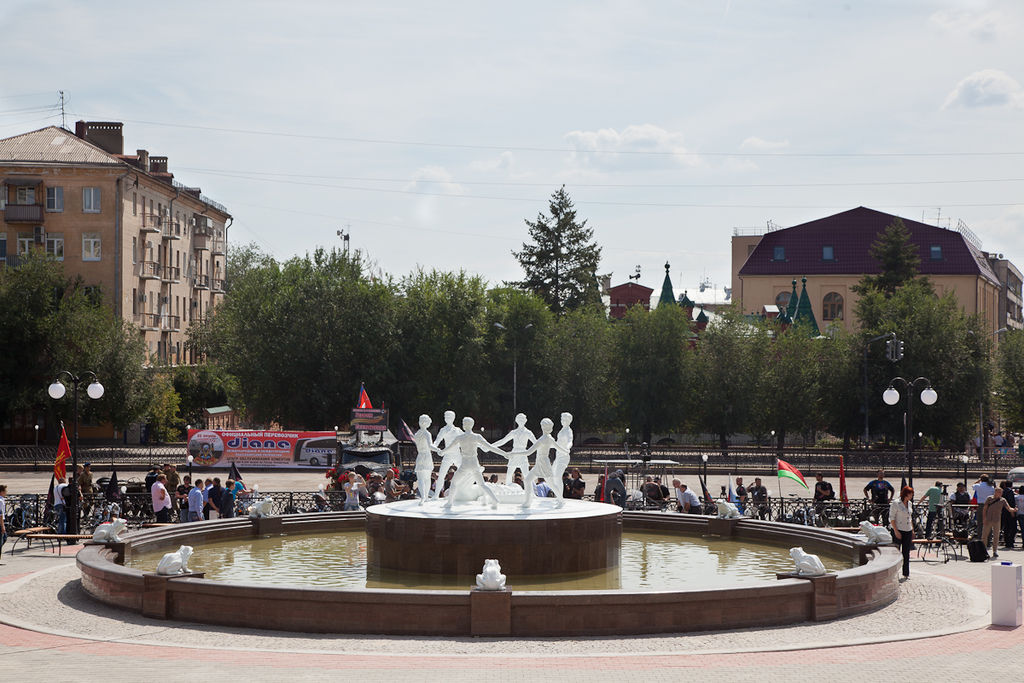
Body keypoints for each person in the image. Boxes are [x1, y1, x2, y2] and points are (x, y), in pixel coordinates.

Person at [491, 413, 537, 485]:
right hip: (514, 453)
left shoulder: (528, 432)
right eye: (519, 419)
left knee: (526, 474)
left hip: (523, 453)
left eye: (522, 419)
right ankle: (508, 488)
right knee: (509, 473)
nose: (521, 421)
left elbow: (536, 443)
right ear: (516, 421)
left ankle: (532, 491)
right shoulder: (514, 432)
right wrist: (490, 446)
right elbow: (503, 441)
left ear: (525, 420)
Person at [412, 414, 440, 505]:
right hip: (427, 456)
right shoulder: (427, 433)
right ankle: (426, 497)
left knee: (420, 479)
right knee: (427, 478)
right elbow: (430, 446)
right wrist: (438, 450)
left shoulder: (416, 434)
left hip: (420, 456)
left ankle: (423, 497)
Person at [981, 487, 1016, 559]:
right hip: (988, 519)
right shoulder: (989, 498)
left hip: (997, 520)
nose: (1001, 494)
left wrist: (1013, 510)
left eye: (1001, 492)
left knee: (996, 536)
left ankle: (995, 551)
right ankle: (983, 550)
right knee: (984, 535)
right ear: (995, 492)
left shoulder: (1003, 500)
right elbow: (985, 509)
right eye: (999, 492)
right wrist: (984, 518)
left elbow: (1008, 508)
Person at [890, 485, 914, 580]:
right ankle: (893, 573)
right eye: (910, 494)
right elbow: (891, 518)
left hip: (907, 529)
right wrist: (896, 531)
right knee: (896, 553)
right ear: (906, 494)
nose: (911, 496)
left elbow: (910, 517)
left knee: (906, 552)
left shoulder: (910, 504)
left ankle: (906, 573)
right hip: (898, 529)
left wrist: (912, 530)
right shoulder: (896, 503)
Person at [1000, 481, 1017, 549]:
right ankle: (1010, 542)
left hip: (1003, 512)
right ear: (1011, 485)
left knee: (1006, 527)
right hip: (1009, 511)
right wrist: (1012, 512)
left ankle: (1006, 542)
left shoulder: (1002, 491)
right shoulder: (1010, 492)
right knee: (1013, 528)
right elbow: (1011, 502)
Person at [0, 484, 7, 558]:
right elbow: (0, 514)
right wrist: (2, 526)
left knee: (4, 537)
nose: (6, 493)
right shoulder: (0, 501)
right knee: (3, 538)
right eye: (5, 491)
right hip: (1, 521)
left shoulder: (2, 500)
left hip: (1, 521)